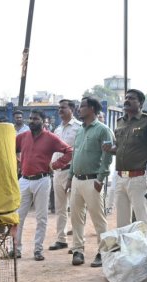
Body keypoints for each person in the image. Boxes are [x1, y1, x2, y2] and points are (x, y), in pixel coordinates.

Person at [15, 110, 72, 260]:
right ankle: (15, 249)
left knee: (41, 217)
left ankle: (38, 250)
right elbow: (10, 148)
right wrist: (19, 162)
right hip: (24, 180)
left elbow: (69, 151)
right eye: (31, 118)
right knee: (18, 217)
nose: (32, 121)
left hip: (42, 180)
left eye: (35, 119)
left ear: (43, 120)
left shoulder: (51, 138)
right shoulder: (23, 136)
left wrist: (55, 164)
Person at [68, 97, 114, 268]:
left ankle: (103, 252)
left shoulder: (103, 130)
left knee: (98, 218)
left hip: (93, 180)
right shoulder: (80, 130)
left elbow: (107, 156)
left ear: (93, 109)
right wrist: (70, 177)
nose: (79, 109)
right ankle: (78, 250)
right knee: (76, 218)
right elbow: (75, 155)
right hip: (76, 180)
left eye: (83, 107)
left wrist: (101, 178)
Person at [104, 89, 147, 230]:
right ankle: (125, 251)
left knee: (143, 220)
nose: (127, 100)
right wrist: (111, 149)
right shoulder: (120, 122)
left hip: (138, 178)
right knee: (122, 222)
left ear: (140, 103)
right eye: (126, 97)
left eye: (132, 98)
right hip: (120, 177)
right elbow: (121, 148)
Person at [49, 99, 82, 251]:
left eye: (63, 107)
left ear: (72, 109)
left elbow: (79, 151)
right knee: (60, 208)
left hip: (72, 172)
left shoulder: (79, 128)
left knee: (75, 208)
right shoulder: (57, 129)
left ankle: (77, 242)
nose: (60, 110)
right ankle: (61, 239)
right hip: (57, 173)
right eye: (59, 108)